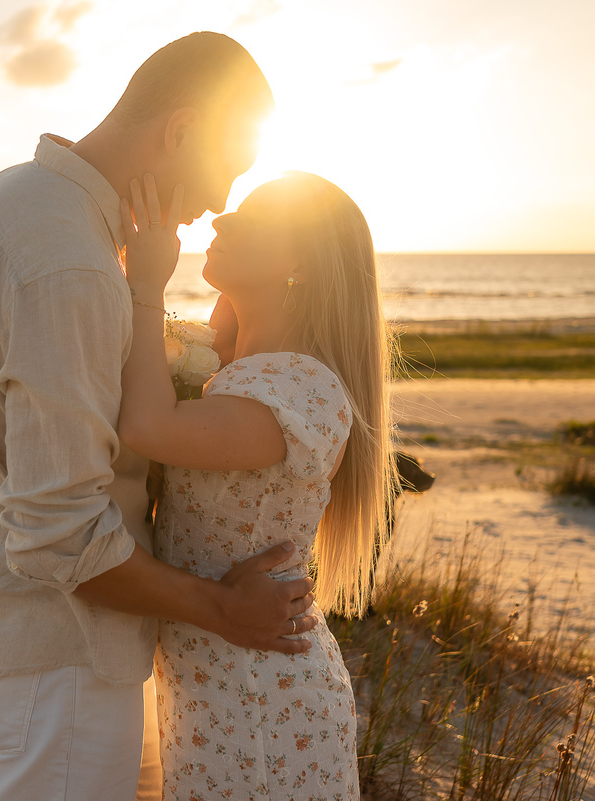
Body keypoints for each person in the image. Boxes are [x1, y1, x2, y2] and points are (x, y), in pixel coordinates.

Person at [0, 33, 319, 801]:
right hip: (62, 651)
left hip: (39, 644)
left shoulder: (14, 200)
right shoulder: (71, 263)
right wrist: (224, 607)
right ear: (181, 131)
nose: (220, 203)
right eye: (229, 169)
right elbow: (60, 530)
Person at [118, 171, 396, 799]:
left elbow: (146, 427)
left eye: (252, 218)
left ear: (299, 263)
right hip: (219, 687)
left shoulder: (301, 388)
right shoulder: (242, 370)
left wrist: (146, 285)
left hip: (262, 701)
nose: (220, 221)